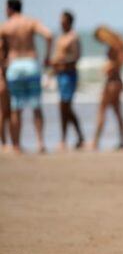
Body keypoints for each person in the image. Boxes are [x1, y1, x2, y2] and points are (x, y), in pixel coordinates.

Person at [0, 0, 52, 154]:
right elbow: (48, 35)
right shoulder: (31, 22)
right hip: (31, 64)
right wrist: (47, 57)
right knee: (36, 106)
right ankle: (40, 142)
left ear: (9, 9)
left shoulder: (6, 26)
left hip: (14, 66)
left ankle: (16, 145)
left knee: (16, 107)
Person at [50, 10, 85, 150]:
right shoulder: (60, 37)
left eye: (63, 20)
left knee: (66, 107)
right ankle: (71, 138)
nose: (60, 23)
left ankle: (73, 137)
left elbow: (76, 57)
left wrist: (61, 61)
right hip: (60, 75)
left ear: (69, 22)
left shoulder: (73, 37)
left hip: (69, 75)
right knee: (63, 107)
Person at [90, 25, 123, 151]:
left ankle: (95, 142)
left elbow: (121, 60)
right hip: (118, 81)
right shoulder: (119, 42)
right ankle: (122, 142)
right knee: (117, 112)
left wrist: (110, 66)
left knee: (102, 110)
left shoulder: (115, 45)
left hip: (112, 81)